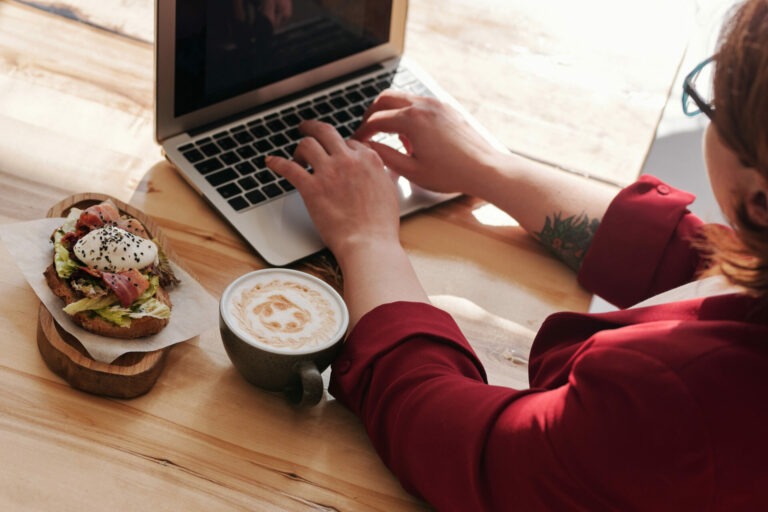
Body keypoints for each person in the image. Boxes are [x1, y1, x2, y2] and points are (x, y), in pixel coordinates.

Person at [265, 0, 768, 509]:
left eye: (713, 98)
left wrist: (367, 240)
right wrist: (488, 167)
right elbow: (706, 269)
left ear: (759, 201)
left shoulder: (673, 395)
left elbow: (468, 448)